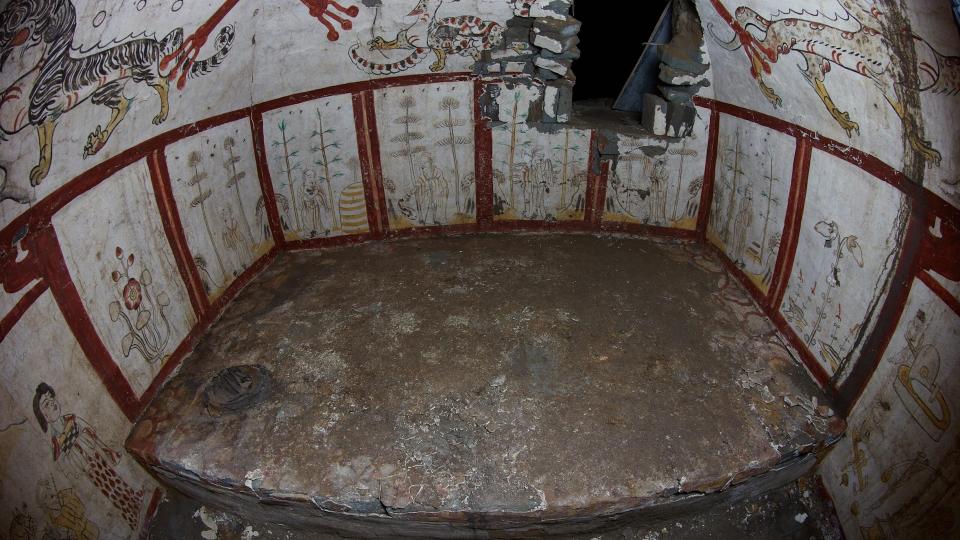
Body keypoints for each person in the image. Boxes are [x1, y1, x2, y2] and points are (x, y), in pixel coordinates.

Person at [33, 383, 143, 531]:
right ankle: (129, 515)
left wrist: (106, 448)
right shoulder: (55, 438)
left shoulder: (69, 419)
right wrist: (68, 434)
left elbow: (86, 428)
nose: (52, 403)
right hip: (85, 464)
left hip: (93, 453)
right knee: (108, 487)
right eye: (46, 404)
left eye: (50, 398)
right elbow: (59, 455)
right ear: (44, 417)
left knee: (113, 477)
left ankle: (134, 499)